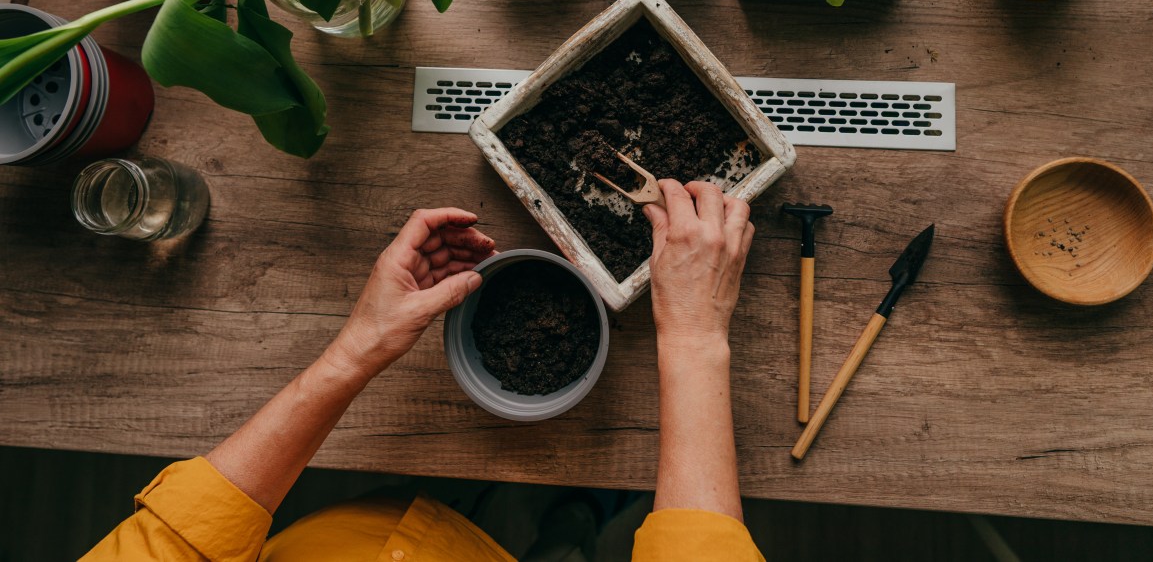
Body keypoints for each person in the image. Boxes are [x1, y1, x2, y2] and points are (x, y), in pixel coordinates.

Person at [83, 180, 764, 561]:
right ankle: (574, 529)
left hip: (353, 539)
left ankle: (568, 524)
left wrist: (356, 350)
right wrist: (694, 334)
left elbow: (174, 540)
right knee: (564, 544)